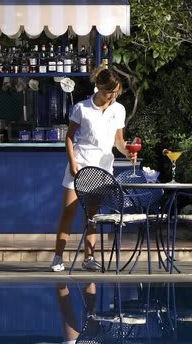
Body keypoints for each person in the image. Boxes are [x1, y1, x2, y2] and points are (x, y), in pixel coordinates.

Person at [50, 65, 137, 272]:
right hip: (79, 166)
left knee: (92, 216)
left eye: (116, 92)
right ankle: (58, 257)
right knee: (68, 213)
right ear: (98, 86)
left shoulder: (118, 109)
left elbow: (119, 142)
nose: (112, 96)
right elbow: (69, 138)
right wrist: (72, 163)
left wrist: (128, 152)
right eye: (109, 92)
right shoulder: (81, 108)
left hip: (102, 170)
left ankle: (89, 258)